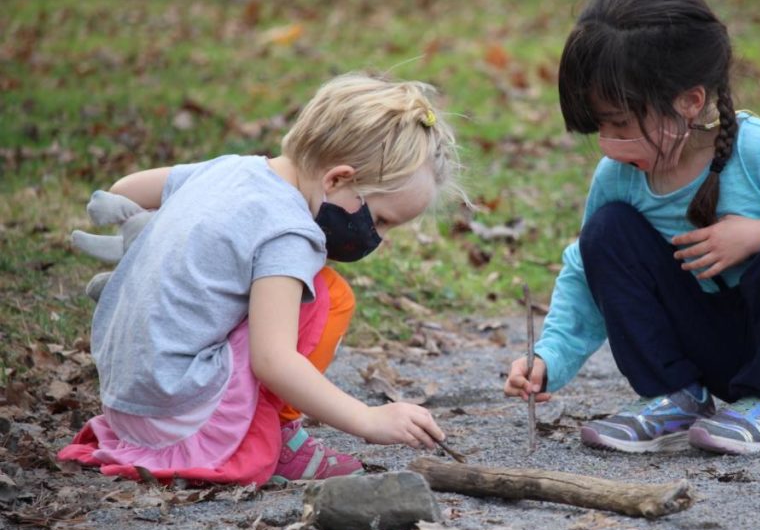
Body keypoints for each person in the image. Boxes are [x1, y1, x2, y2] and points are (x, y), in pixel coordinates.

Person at [503, 0, 760, 456]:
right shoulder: (619, 177)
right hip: (715, 348)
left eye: (620, 122)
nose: (608, 142)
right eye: (602, 125)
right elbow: (585, 271)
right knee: (605, 233)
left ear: (690, 102)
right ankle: (674, 397)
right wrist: (549, 358)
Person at [59, 72, 461, 484]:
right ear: (338, 179)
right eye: (380, 220)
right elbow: (273, 360)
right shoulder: (288, 232)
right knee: (327, 295)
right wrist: (368, 419)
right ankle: (278, 437)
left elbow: (125, 190)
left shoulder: (230, 169)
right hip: (179, 417)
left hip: (126, 404)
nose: (381, 239)